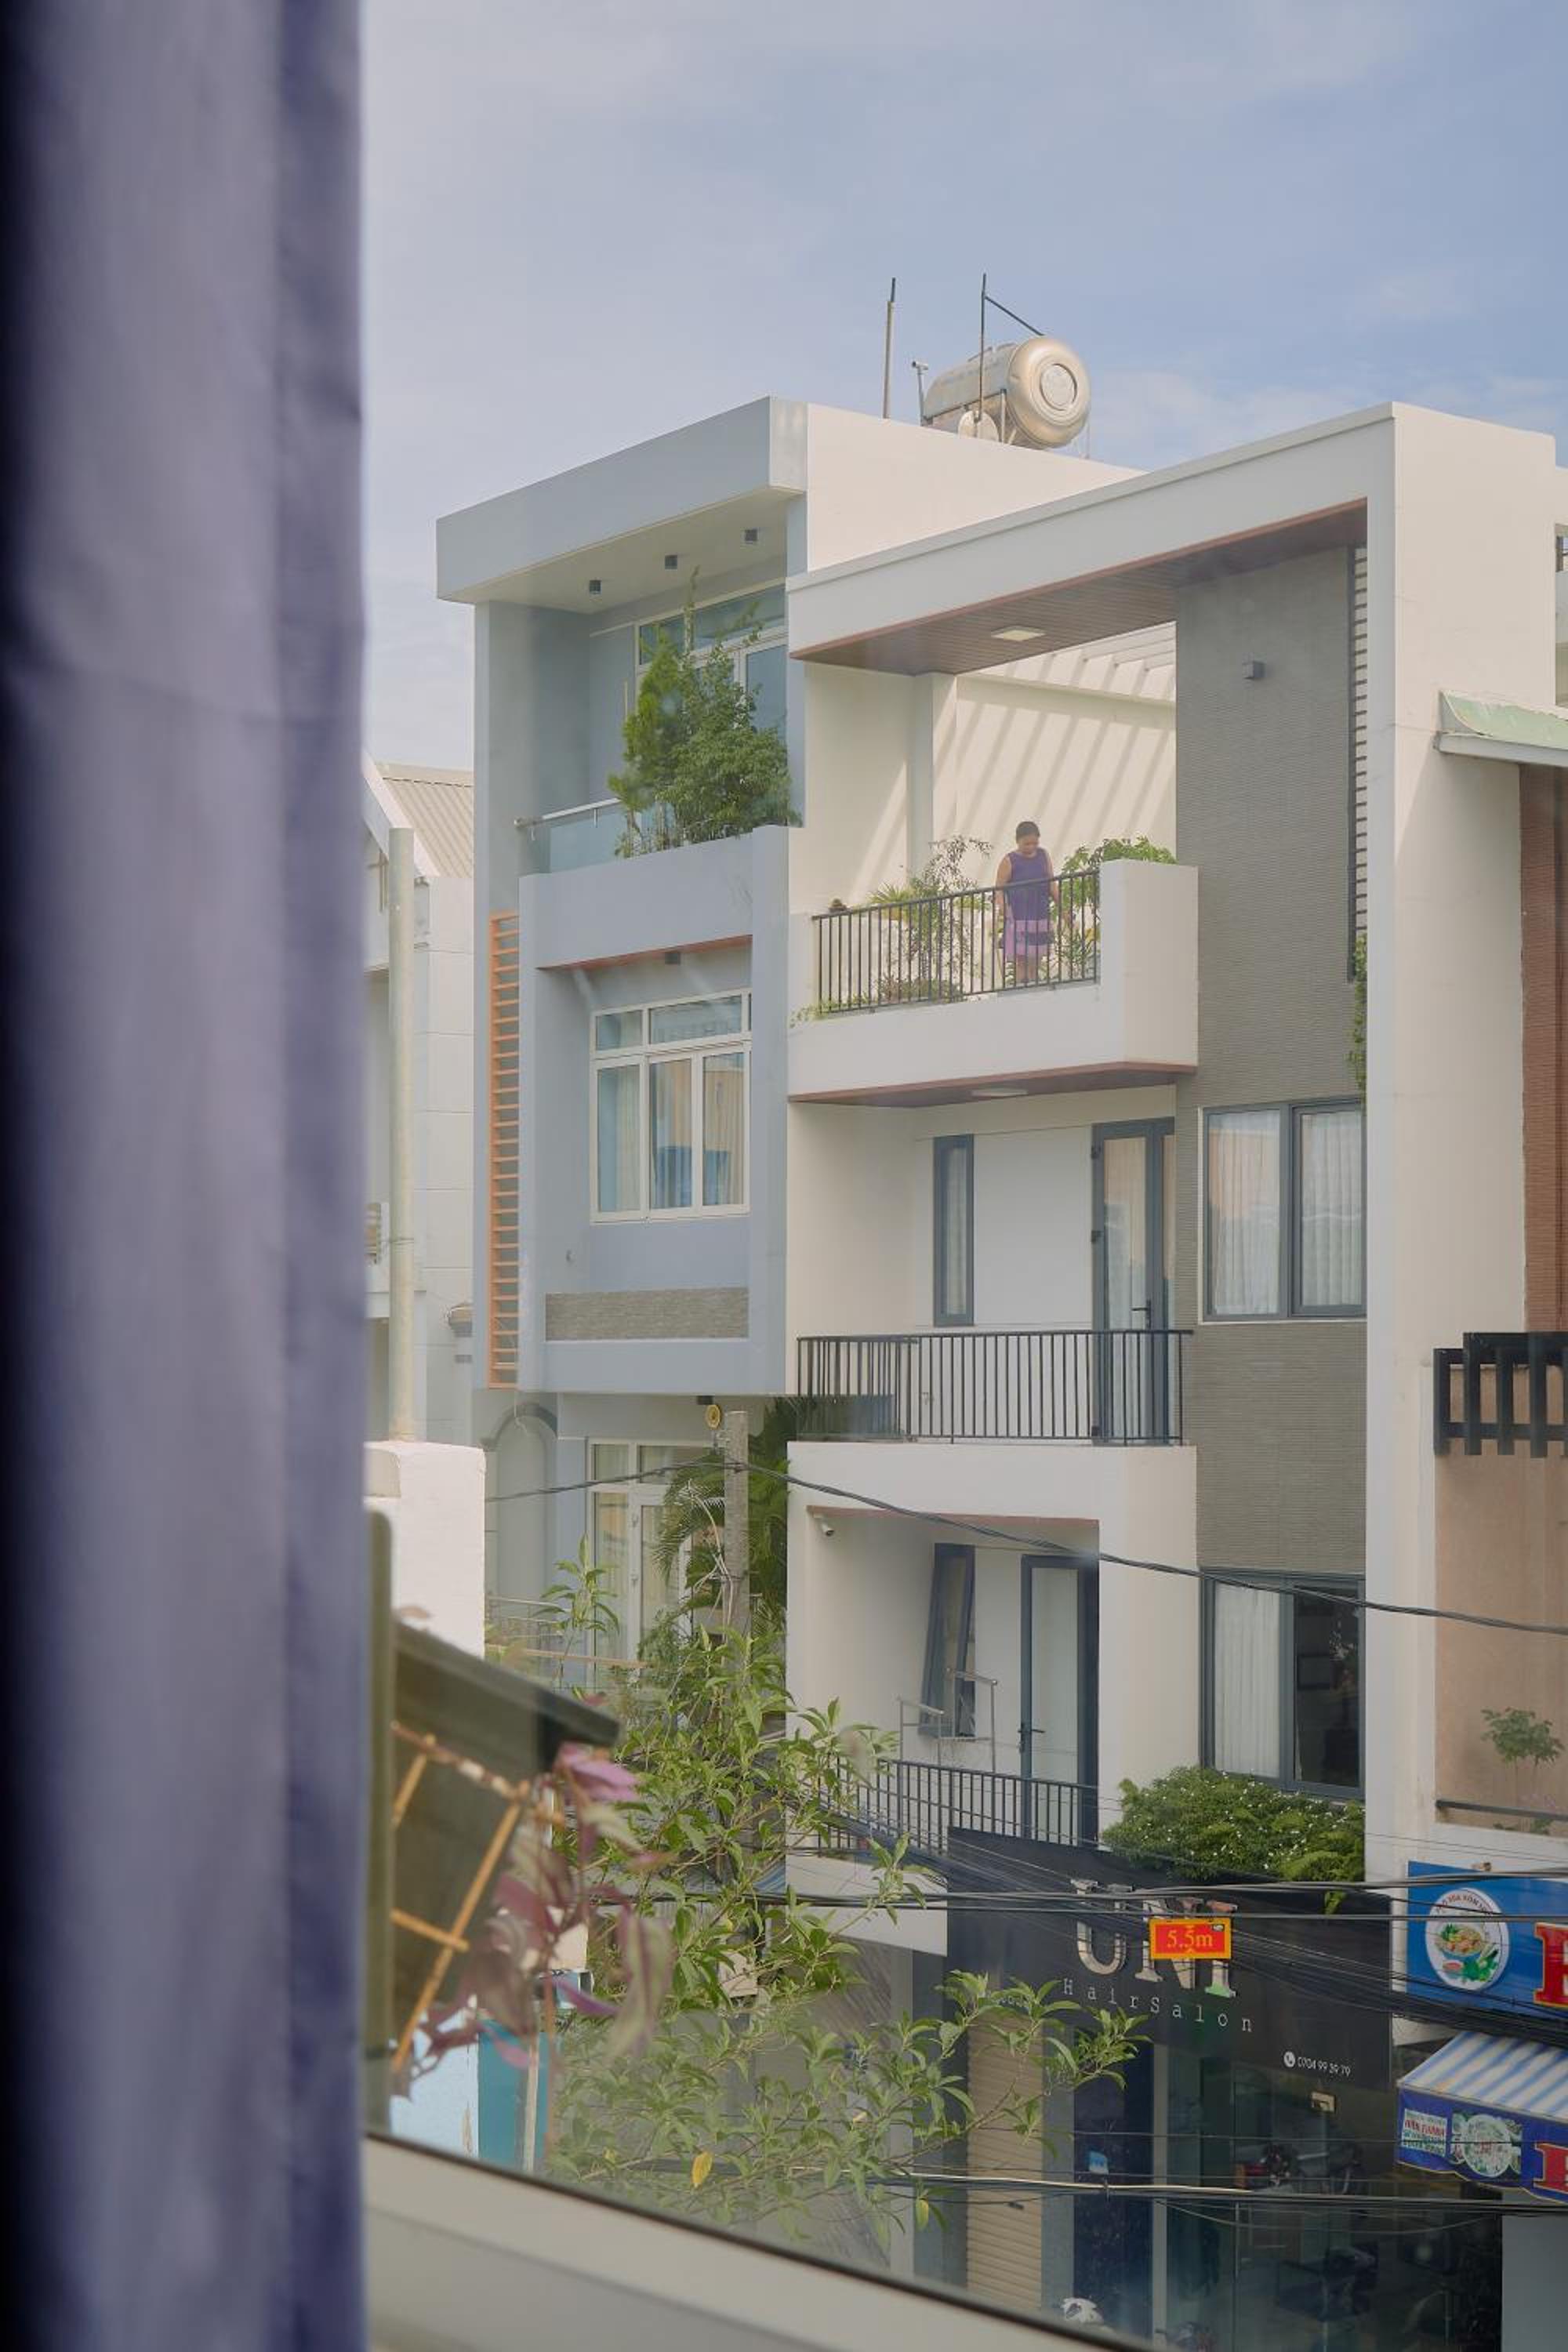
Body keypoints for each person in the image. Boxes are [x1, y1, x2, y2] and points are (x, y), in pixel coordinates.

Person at [995, 820, 1057, 984]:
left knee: (1036, 955)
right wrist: (1004, 909)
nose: (1031, 847)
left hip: (1039, 912)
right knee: (1021, 957)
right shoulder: (1009, 860)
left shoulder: (1043, 855)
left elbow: (1052, 883)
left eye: (1035, 843)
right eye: (1027, 844)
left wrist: (1063, 908)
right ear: (1018, 841)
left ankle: (1034, 983)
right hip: (1019, 913)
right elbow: (999, 888)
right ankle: (1022, 984)